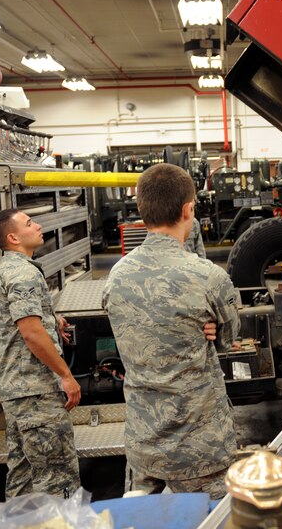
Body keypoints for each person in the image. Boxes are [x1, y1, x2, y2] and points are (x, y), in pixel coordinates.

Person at [102, 163, 240, 497]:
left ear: (140, 209)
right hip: (200, 447)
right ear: (188, 210)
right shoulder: (210, 278)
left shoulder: (116, 276)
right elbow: (229, 338)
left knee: (140, 519)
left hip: (143, 441)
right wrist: (206, 328)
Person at [0, 209, 81, 499]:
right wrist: (65, 375)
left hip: (19, 393)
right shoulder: (23, 273)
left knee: (24, 477)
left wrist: (52, 320)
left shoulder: (10, 269)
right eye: (30, 223)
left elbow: (27, 322)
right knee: (56, 476)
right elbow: (30, 332)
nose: (38, 225)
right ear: (13, 237)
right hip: (37, 393)